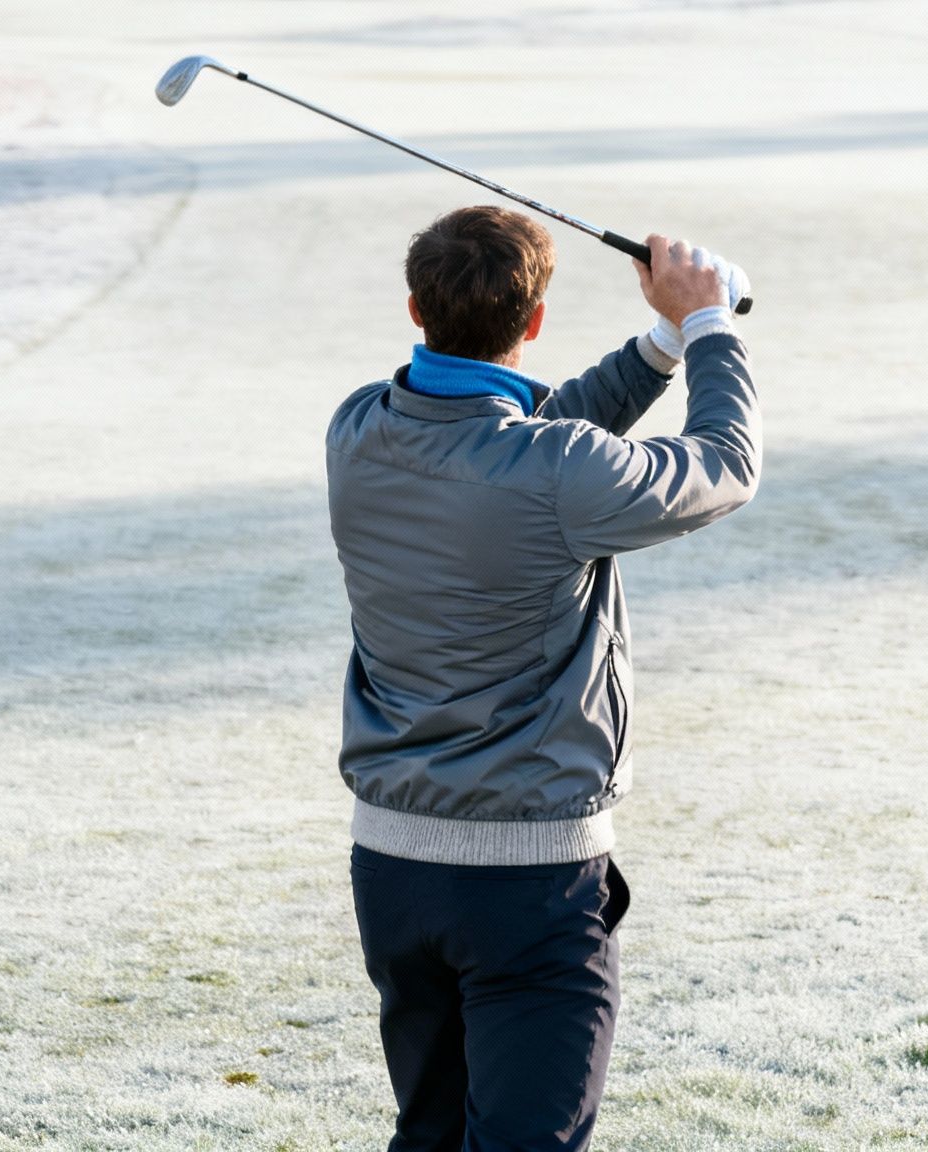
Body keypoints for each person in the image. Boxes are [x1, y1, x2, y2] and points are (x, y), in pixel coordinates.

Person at [324, 204, 760, 1151]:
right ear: (533, 323)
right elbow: (724, 465)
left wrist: (660, 343)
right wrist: (711, 326)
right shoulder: (553, 470)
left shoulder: (357, 427)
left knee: (430, 1136)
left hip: (393, 875)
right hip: (528, 884)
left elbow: (527, 444)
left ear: (415, 307)